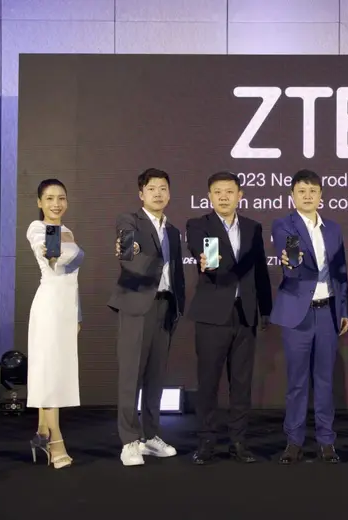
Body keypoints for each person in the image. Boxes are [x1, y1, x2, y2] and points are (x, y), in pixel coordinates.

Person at [186, 171, 273, 465]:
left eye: (229, 192)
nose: (223, 197)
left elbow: (260, 270)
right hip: (212, 315)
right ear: (209, 197)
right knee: (208, 382)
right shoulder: (198, 225)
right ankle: (206, 442)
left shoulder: (252, 227)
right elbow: (199, 249)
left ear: (240, 195)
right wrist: (206, 262)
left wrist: (266, 309)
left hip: (245, 313)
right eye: (218, 192)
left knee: (241, 382)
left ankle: (238, 442)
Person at [270, 169, 348, 464]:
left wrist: (344, 309)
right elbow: (290, 260)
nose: (307, 196)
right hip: (297, 313)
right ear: (292, 195)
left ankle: (327, 442)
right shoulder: (284, 225)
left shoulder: (333, 228)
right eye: (301, 191)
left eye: (313, 191)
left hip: (328, 311)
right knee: (297, 382)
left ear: (321, 196)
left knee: (325, 380)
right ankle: (294, 442)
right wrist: (291, 262)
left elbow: (341, 272)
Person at [108, 168, 186, 466]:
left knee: (156, 376)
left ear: (170, 193)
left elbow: (177, 271)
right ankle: (129, 440)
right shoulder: (129, 221)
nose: (158, 193)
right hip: (136, 305)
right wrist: (135, 253)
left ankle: (151, 436)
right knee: (131, 376)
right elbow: (129, 257)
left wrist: (178, 305)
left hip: (165, 306)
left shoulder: (173, 231)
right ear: (141, 194)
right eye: (152, 188)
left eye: (163, 188)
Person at [26, 178, 83, 469]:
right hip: (48, 307)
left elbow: (72, 279)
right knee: (48, 373)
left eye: (61, 198)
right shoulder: (38, 228)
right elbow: (51, 259)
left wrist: (78, 314)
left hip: (66, 308)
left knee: (56, 371)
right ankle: (55, 441)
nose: (56, 204)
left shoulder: (67, 230)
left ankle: (42, 431)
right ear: (39, 202)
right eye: (49, 198)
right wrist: (52, 246)